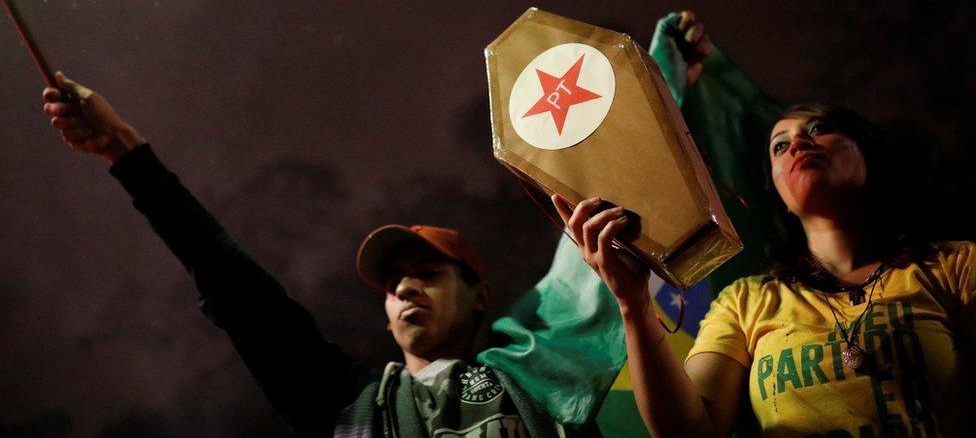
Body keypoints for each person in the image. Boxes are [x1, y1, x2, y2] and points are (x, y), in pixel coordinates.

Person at [40, 73, 620, 437]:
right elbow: (239, 293)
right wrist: (124, 150)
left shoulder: (540, 375)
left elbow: (588, 262)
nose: (406, 289)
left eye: (428, 273)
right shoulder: (347, 407)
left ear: (480, 296)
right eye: (394, 284)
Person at [554, 12, 975, 436]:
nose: (798, 143)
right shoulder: (747, 303)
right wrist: (634, 305)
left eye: (820, 128)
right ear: (778, 195)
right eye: (779, 145)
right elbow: (691, 430)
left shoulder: (955, 268)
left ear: (868, 155)